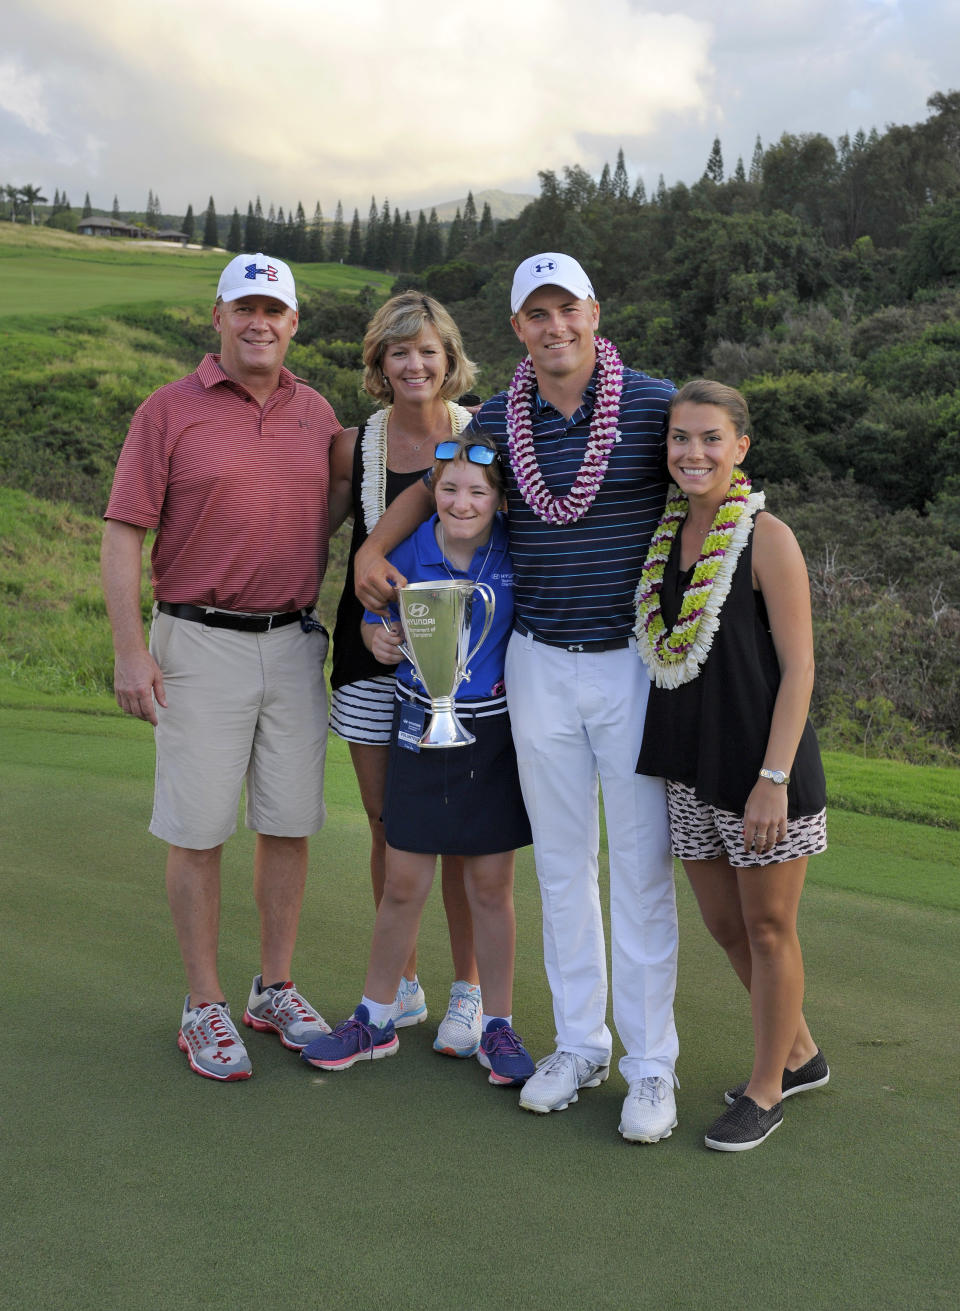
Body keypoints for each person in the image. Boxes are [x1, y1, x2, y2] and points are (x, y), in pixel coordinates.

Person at [355, 253, 679, 1143]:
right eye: (536, 314)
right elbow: (432, 490)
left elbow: (714, 487)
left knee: (640, 867)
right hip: (536, 664)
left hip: (630, 666)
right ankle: (580, 1044)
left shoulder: (652, 405)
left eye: (566, 309)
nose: (554, 327)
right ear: (517, 328)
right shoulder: (502, 418)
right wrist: (367, 555)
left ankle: (652, 1066)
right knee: (565, 866)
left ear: (593, 311)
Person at [101, 252, 340, 1081]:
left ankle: (272, 987)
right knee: (198, 828)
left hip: (295, 641)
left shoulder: (318, 414)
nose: (259, 322)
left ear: (293, 323)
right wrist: (131, 648)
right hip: (196, 641)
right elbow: (124, 531)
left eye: (273, 310)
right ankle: (203, 1002)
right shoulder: (168, 412)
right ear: (218, 316)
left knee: (287, 821)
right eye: (244, 308)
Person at [304, 433, 535, 1087]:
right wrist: (375, 636)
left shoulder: (515, 551)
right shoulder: (408, 549)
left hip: (491, 739)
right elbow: (375, 618)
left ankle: (497, 1023)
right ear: (433, 491)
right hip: (416, 732)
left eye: (479, 491)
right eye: (451, 489)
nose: (463, 502)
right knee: (404, 882)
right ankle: (376, 1015)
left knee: (490, 888)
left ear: (500, 499)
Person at [635, 379, 829, 1151]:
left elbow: (802, 668)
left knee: (770, 926)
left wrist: (772, 778)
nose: (694, 452)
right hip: (691, 765)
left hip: (762, 771)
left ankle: (766, 1087)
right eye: (681, 437)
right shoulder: (664, 536)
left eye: (711, 438)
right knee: (724, 925)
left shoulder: (767, 537)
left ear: (740, 447)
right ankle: (803, 1051)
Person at [327, 293, 482, 1055]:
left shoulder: (481, 437)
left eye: (427, 350)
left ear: (449, 358)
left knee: (457, 829)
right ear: (378, 365)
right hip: (371, 658)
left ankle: (470, 993)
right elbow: (332, 541)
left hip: (462, 667)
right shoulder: (352, 446)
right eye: (398, 352)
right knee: (391, 825)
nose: (414, 364)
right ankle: (405, 986)